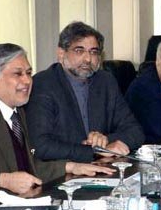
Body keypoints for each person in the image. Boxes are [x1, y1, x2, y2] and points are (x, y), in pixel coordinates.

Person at [0, 43, 115, 203]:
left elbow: (26, 166)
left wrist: (71, 166)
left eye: (28, 73)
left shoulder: (18, 111)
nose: (27, 81)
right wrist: (1, 180)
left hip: (28, 205)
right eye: (18, 74)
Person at [24, 21, 144, 162]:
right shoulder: (43, 84)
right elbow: (40, 147)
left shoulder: (105, 81)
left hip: (102, 169)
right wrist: (94, 151)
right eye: (79, 51)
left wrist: (105, 140)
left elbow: (135, 131)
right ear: (61, 54)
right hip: (61, 174)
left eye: (93, 52)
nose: (88, 59)